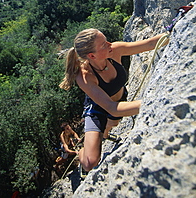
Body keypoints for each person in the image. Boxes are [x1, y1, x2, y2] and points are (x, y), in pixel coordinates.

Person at [59, 28, 167, 173]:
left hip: (118, 100)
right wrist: (153, 102)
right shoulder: (84, 76)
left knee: (113, 123)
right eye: (103, 44)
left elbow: (149, 44)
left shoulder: (115, 50)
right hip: (98, 109)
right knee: (90, 162)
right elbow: (111, 107)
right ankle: (81, 150)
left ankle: (105, 133)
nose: (110, 44)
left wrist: (172, 30)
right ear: (92, 55)